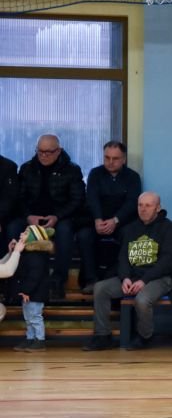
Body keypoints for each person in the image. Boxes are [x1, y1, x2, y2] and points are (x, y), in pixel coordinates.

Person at [83, 192, 172, 351]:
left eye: (148, 205)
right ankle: (102, 335)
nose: (143, 209)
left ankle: (144, 336)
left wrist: (144, 280)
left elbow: (168, 261)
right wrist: (125, 278)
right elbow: (123, 257)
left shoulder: (169, 228)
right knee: (100, 288)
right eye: (140, 205)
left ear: (158, 208)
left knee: (142, 299)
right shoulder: (130, 228)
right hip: (133, 277)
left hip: (159, 278)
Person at [8, 134, 86, 299]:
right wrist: (28, 216)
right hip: (31, 216)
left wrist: (57, 216)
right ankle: (14, 279)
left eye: (48, 152)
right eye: (40, 151)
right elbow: (18, 198)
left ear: (58, 151)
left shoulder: (72, 170)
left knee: (65, 231)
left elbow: (77, 200)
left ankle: (58, 281)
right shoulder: (27, 168)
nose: (43, 155)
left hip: (60, 217)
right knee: (13, 227)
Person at [78, 140, 142, 293]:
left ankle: (121, 277)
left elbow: (132, 202)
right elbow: (92, 198)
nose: (110, 162)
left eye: (115, 158)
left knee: (130, 235)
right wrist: (98, 219)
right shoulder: (95, 173)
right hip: (97, 221)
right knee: (83, 236)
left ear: (124, 159)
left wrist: (115, 220)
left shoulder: (133, 177)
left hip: (122, 222)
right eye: (107, 158)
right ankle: (90, 279)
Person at [11, 226, 51, 352]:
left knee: (35, 317)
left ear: (33, 238)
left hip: (35, 293)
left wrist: (26, 290)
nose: (21, 233)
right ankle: (30, 338)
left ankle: (39, 339)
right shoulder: (28, 253)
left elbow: (34, 276)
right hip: (29, 293)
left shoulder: (36, 256)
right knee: (29, 318)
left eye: (26, 232)